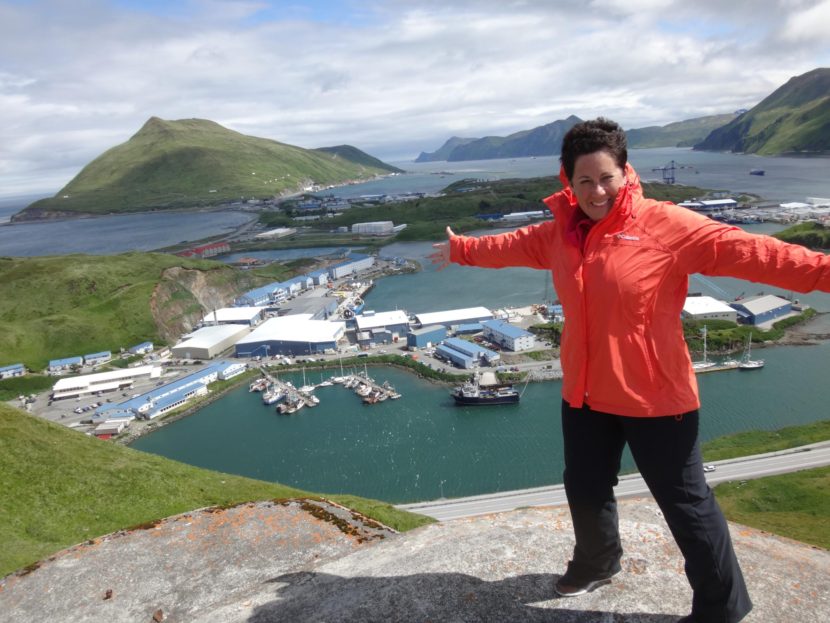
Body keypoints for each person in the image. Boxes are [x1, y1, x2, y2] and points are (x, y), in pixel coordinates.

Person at [428, 117, 830, 623]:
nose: (597, 191)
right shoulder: (561, 233)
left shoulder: (666, 225)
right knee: (585, 485)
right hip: (585, 391)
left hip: (654, 395)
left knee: (685, 504)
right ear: (567, 182)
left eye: (606, 178)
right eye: (584, 181)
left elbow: (757, 253)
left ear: (625, 171)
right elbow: (509, 245)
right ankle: (597, 563)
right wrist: (461, 248)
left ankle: (722, 609)